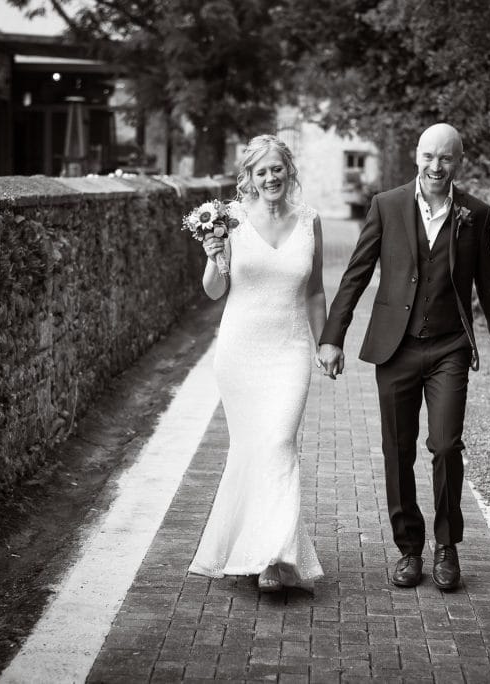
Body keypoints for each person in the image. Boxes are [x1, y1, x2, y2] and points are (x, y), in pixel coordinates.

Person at [317, 123, 490, 591]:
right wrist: (333, 337)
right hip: (396, 348)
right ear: (416, 156)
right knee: (398, 450)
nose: (436, 166)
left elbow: (488, 285)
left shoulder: (475, 213)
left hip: (449, 347)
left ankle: (447, 546)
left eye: (446, 158)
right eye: (429, 156)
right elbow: (356, 274)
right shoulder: (387, 205)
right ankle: (410, 549)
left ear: (458, 162)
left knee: (446, 446)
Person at [188, 135, 326, 592]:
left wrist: (327, 342)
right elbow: (213, 291)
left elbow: (315, 291)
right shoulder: (229, 222)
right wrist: (213, 259)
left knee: (280, 442)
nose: (271, 178)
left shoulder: (309, 221)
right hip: (240, 352)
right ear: (248, 176)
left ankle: (274, 555)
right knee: (253, 449)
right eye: (261, 171)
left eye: (277, 169)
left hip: (290, 351)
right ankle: (263, 552)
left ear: (290, 171)